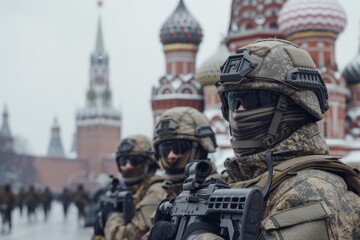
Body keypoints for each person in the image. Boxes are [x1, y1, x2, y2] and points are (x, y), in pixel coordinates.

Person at [151, 39, 360, 239]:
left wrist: (196, 236)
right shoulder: (237, 180)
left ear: (296, 103)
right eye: (234, 102)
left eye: (253, 100)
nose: (239, 111)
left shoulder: (315, 190)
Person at [93, 134, 167, 240]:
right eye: (123, 161)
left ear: (149, 162)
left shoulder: (156, 190)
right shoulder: (130, 191)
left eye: (135, 161)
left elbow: (129, 237)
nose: (128, 166)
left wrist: (111, 216)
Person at [152, 106, 218, 198]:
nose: (171, 155)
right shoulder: (160, 193)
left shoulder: (221, 188)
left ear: (201, 148)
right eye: (164, 149)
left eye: (179, 147)